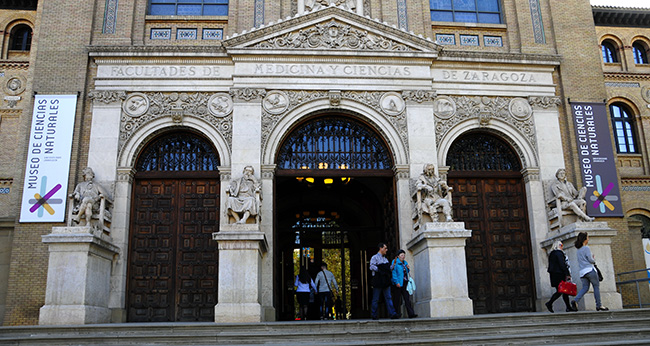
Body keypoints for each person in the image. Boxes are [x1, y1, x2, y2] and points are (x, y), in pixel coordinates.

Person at [571, 232, 609, 311]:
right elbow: (591, 260)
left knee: (585, 288)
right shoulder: (586, 248)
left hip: (582, 272)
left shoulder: (578, 250)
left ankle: (575, 300)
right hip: (589, 270)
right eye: (588, 237)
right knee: (596, 287)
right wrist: (593, 258)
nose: (588, 239)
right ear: (585, 239)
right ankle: (599, 305)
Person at [369, 243, 399, 320]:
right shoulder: (374, 257)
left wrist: (394, 263)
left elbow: (389, 269)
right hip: (378, 280)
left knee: (388, 297)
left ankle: (392, 313)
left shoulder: (385, 259)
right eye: (385, 248)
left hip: (385, 280)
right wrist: (380, 270)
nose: (386, 250)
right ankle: (374, 314)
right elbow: (371, 266)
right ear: (380, 248)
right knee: (376, 298)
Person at [545, 241, 574, 313]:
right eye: (561, 245)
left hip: (554, 275)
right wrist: (567, 273)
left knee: (564, 291)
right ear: (557, 246)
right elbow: (562, 264)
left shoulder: (552, 253)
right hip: (559, 274)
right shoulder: (559, 253)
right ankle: (549, 303)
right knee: (560, 291)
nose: (562, 246)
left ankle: (568, 307)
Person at [391, 249, 417, 318]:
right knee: (397, 299)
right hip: (398, 284)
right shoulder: (395, 262)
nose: (403, 256)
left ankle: (411, 313)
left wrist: (408, 268)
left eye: (404, 255)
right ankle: (395, 314)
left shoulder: (405, 263)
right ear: (398, 256)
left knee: (407, 299)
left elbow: (406, 272)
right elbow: (394, 273)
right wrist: (396, 282)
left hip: (405, 283)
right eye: (401, 255)